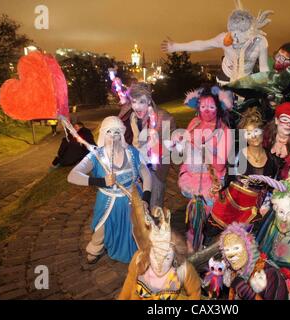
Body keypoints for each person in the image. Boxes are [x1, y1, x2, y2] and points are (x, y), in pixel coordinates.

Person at [67, 116, 152, 264]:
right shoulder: (95, 156)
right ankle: (95, 249)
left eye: (117, 132)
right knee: (102, 229)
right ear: (103, 133)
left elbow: (146, 174)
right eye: (109, 132)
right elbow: (72, 176)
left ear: (122, 134)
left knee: (137, 227)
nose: (113, 136)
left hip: (133, 199)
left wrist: (146, 198)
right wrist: (101, 181)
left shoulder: (131, 152)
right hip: (108, 200)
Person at [175, 85, 233, 252]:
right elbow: (186, 147)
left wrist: (202, 148)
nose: (206, 111)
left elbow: (221, 163)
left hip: (210, 182)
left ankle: (197, 249)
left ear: (219, 108)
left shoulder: (224, 130)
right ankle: (194, 245)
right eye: (203, 106)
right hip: (191, 177)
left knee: (200, 217)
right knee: (194, 215)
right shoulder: (194, 122)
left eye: (211, 107)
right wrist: (181, 142)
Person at [161, 1, 273, 83]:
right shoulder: (224, 39)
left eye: (239, 36)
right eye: (232, 33)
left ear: (249, 32)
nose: (235, 39)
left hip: (247, 77)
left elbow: (264, 68)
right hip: (226, 76)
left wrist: (268, 86)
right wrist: (175, 47)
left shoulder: (260, 42)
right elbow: (202, 45)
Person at [204, 108, 270, 245]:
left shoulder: (273, 160)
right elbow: (228, 180)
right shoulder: (237, 156)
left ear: (263, 132)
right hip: (230, 204)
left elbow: (270, 189)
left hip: (252, 212)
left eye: (256, 131)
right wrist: (219, 186)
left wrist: (266, 206)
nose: (253, 136)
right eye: (248, 133)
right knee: (212, 240)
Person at [118, 206, 201, 300]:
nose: (159, 264)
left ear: (175, 256)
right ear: (148, 251)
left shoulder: (184, 270)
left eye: (167, 258)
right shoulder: (139, 259)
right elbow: (129, 281)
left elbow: (195, 293)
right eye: (155, 255)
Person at [119, 82, 176, 209]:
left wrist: (171, 142)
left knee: (154, 205)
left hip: (154, 169)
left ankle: (155, 227)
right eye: (134, 102)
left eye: (141, 102)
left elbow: (171, 143)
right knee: (136, 206)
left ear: (149, 101)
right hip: (134, 166)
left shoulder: (164, 117)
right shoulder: (130, 117)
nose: (137, 107)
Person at [219, 223, 290, 300]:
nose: (231, 255)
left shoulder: (270, 274)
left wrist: (245, 291)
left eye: (236, 248)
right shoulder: (235, 273)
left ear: (248, 247)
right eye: (227, 250)